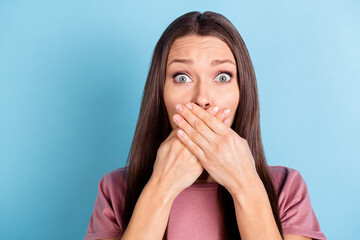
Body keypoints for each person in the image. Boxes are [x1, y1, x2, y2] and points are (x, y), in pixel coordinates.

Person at [84, 11, 326, 240]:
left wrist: (246, 185)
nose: (202, 98)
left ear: (243, 92)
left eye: (222, 77)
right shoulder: (115, 190)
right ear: (160, 94)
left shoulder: (286, 188)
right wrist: (161, 187)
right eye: (182, 77)